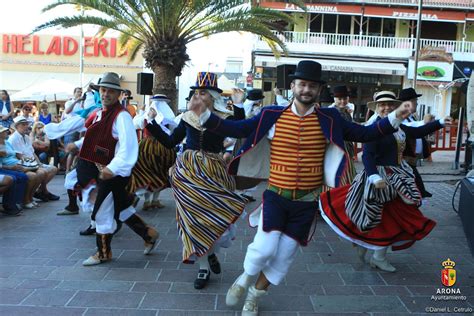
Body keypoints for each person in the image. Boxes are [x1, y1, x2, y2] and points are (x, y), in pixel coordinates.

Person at [189, 61, 411, 315]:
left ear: (318, 90)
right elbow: (237, 128)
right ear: (293, 86)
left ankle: (254, 295)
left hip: (306, 202)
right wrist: (204, 115)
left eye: (312, 86)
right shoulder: (271, 115)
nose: (306, 89)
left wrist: (396, 117)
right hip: (275, 196)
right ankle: (244, 279)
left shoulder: (331, 118)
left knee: (283, 258)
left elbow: (365, 133)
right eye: (302, 84)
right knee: (263, 248)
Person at [319, 90, 450, 273]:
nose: (386, 107)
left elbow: (417, 131)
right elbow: (368, 156)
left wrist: (440, 123)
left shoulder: (398, 126)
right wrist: (374, 176)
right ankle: (376, 254)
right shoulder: (375, 128)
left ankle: (369, 248)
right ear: (377, 108)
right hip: (381, 179)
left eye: (390, 104)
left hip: (397, 176)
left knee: (387, 217)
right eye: (382, 105)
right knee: (386, 217)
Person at [146, 72, 246, 290]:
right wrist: (152, 122)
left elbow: (241, 128)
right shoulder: (187, 117)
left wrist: (239, 105)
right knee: (192, 219)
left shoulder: (225, 117)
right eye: (196, 92)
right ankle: (203, 266)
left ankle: (210, 253)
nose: (199, 96)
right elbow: (171, 141)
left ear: (212, 96)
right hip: (187, 172)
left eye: (203, 93)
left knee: (214, 217)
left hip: (213, 170)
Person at [78, 72, 159, 266]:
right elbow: (95, 138)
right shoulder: (99, 113)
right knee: (120, 207)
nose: (106, 94)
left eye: (111, 91)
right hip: (98, 169)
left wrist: (112, 169)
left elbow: (128, 147)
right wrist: (77, 144)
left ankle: (103, 252)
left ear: (118, 94)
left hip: (112, 173)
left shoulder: (121, 117)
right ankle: (149, 234)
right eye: (103, 90)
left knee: (102, 211)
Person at [129, 94, 176, 210]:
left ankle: (150, 201)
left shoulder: (146, 116)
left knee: (149, 174)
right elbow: (173, 132)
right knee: (158, 175)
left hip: (145, 148)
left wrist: (141, 113)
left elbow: (135, 124)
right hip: (163, 149)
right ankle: (151, 200)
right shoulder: (168, 117)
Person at [8, 116, 59, 203]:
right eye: (23, 125)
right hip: (24, 164)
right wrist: (35, 165)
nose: (26, 126)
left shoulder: (26, 137)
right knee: (42, 172)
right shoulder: (13, 138)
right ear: (16, 126)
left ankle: (40, 191)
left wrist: (39, 164)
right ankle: (35, 195)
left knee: (53, 169)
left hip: (32, 162)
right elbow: (19, 156)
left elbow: (33, 153)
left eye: (26, 124)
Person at [399, 88, 433, 198]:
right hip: (404, 160)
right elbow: (409, 129)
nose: (417, 104)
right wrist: (424, 122)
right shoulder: (400, 117)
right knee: (413, 187)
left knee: (415, 186)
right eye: (415, 101)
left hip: (411, 159)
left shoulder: (411, 117)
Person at [0, 123, 40, 210]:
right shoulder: (8, 141)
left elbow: (15, 154)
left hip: (16, 163)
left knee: (37, 173)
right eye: (3, 131)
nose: (6, 132)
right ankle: (16, 202)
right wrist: (11, 167)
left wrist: (23, 159)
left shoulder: (7, 142)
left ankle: (27, 199)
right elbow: (2, 163)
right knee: (23, 176)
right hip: (7, 166)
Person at [328, 85, 356, 185]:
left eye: (345, 98)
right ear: (334, 99)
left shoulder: (346, 111)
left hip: (347, 147)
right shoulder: (330, 112)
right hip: (335, 148)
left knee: (348, 176)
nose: (342, 101)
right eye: (339, 99)